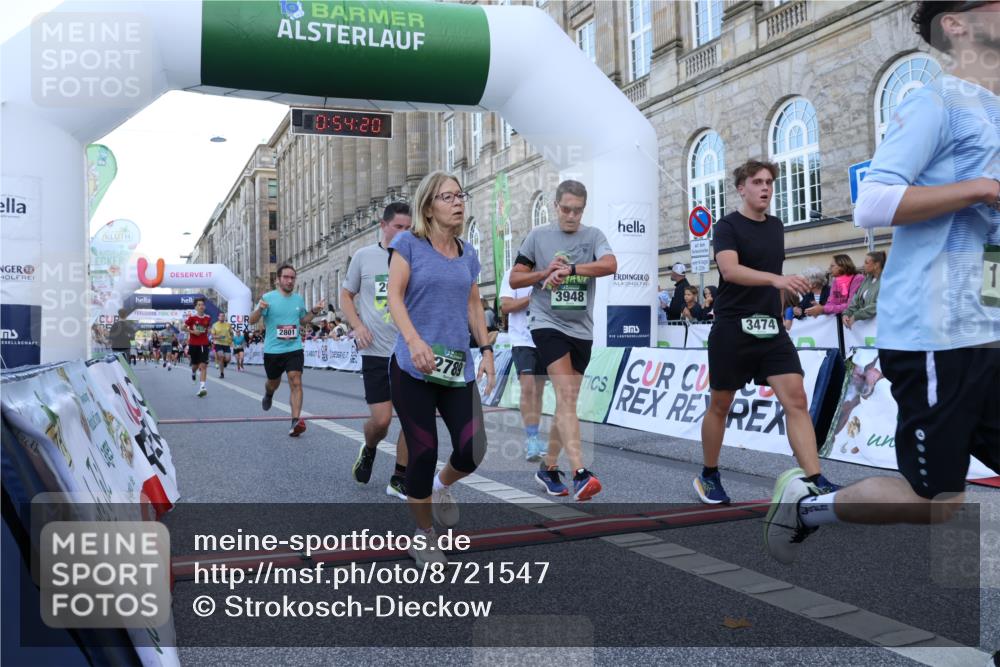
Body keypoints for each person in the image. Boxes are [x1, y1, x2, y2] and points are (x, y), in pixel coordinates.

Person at [765, 1, 1000, 564]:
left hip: (990, 327)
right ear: (957, 23)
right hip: (937, 335)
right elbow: (870, 202)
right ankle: (806, 507)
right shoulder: (937, 102)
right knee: (935, 500)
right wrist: (982, 189)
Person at [695, 159, 838, 505]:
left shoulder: (776, 226)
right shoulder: (727, 227)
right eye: (757, 182)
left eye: (770, 183)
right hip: (732, 326)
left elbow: (774, 278)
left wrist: (785, 301)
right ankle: (708, 475)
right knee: (720, 404)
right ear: (741, 188)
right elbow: (730, 271)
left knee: (797, 399)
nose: (765, 188)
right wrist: (778, 280)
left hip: (769, 328)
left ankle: (815, 479)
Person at [386, 171, 494, 567]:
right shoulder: (408, 244)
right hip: (412, 367)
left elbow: (473, 304)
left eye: (460, 195)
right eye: (448, 197)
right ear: (428, 206)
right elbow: (394, 298)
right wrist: (414, 341)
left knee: (472, 449)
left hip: (455, 370)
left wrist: (486, 350)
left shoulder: (468, 253)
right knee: (424, 450)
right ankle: (424, 534)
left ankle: (441, 486)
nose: (458, 202)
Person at [510, 179, 617, 501]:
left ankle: (548, 467)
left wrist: (571, 269)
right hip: (546, 323)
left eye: (578, 210)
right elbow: (515, 277)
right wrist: (544, 273)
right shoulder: (538, 236)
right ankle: (581, 473)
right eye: (566, 209)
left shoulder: (593, 235)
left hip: (581, 328)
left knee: (567, 401)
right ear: (556, 206)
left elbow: (611, 265)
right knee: (566, 394)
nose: (571, 215)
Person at [341, 201, 413, 500]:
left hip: (409, 351)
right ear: (382, 226)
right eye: (399, 227)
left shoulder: (415, 256)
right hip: (375, 351)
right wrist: (357, 325)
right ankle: (369, 447)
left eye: (409, 228)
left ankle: (399, 477)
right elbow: (346, 294)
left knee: (411, 419)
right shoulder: (364, 257)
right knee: (382, 421)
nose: (404, 233)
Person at [249, 264, 326, 437]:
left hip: (294, 347)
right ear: (277, 280)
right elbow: (252, 320)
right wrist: (260, 309)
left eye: (292, 278)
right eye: (286, 277)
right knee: (273, 383)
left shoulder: (298, 299)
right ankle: (269, 393)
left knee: (295, 380)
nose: (290, 281)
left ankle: (295, 421)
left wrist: (314, 311)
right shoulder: (268, 297)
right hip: (273, 351)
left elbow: (303, 320)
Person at [500, 265, 547, 462]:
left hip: (545, 338)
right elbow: (506, 307)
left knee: (539, 390)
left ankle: (535, 435)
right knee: (528, 389)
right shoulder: (513, 273)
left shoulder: (548, 271)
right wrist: (534, 297)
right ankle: (532, 438)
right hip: (522, 341)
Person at [843, 251, 886, 329]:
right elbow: (855, 300)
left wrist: (856, 316)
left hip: (880, 326)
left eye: (866, 263)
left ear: (876, 265)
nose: (863, 265)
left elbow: (879, 304)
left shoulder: (886, 280)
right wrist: (847, 314)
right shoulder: (866, 280)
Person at [185, 298, 212, 397]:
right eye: (199, 305)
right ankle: (193, 372)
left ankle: (202, 387)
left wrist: (210, 332)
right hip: (193, 344)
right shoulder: (192, 318)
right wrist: (193, 332)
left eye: (202, 305)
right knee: (195, 366)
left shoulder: (208, 318)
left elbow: (208, 328)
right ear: (196, 307)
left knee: (203, 366)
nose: (201, 306)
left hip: (204, 344)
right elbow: (183, 327)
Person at [210, 312, 234, 379]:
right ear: (218, 317)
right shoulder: (215, 325)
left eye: (223, 316)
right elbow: (212, 336)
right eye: (220, 316)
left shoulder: (228, 325)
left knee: (228, 359)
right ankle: (222, 373)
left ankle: (225, 362)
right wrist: (218, 337)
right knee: (221, 356)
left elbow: (231, 333)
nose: (222, 317)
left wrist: (232, 338)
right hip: (218, 343)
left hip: (226, 344)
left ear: (225, 317)